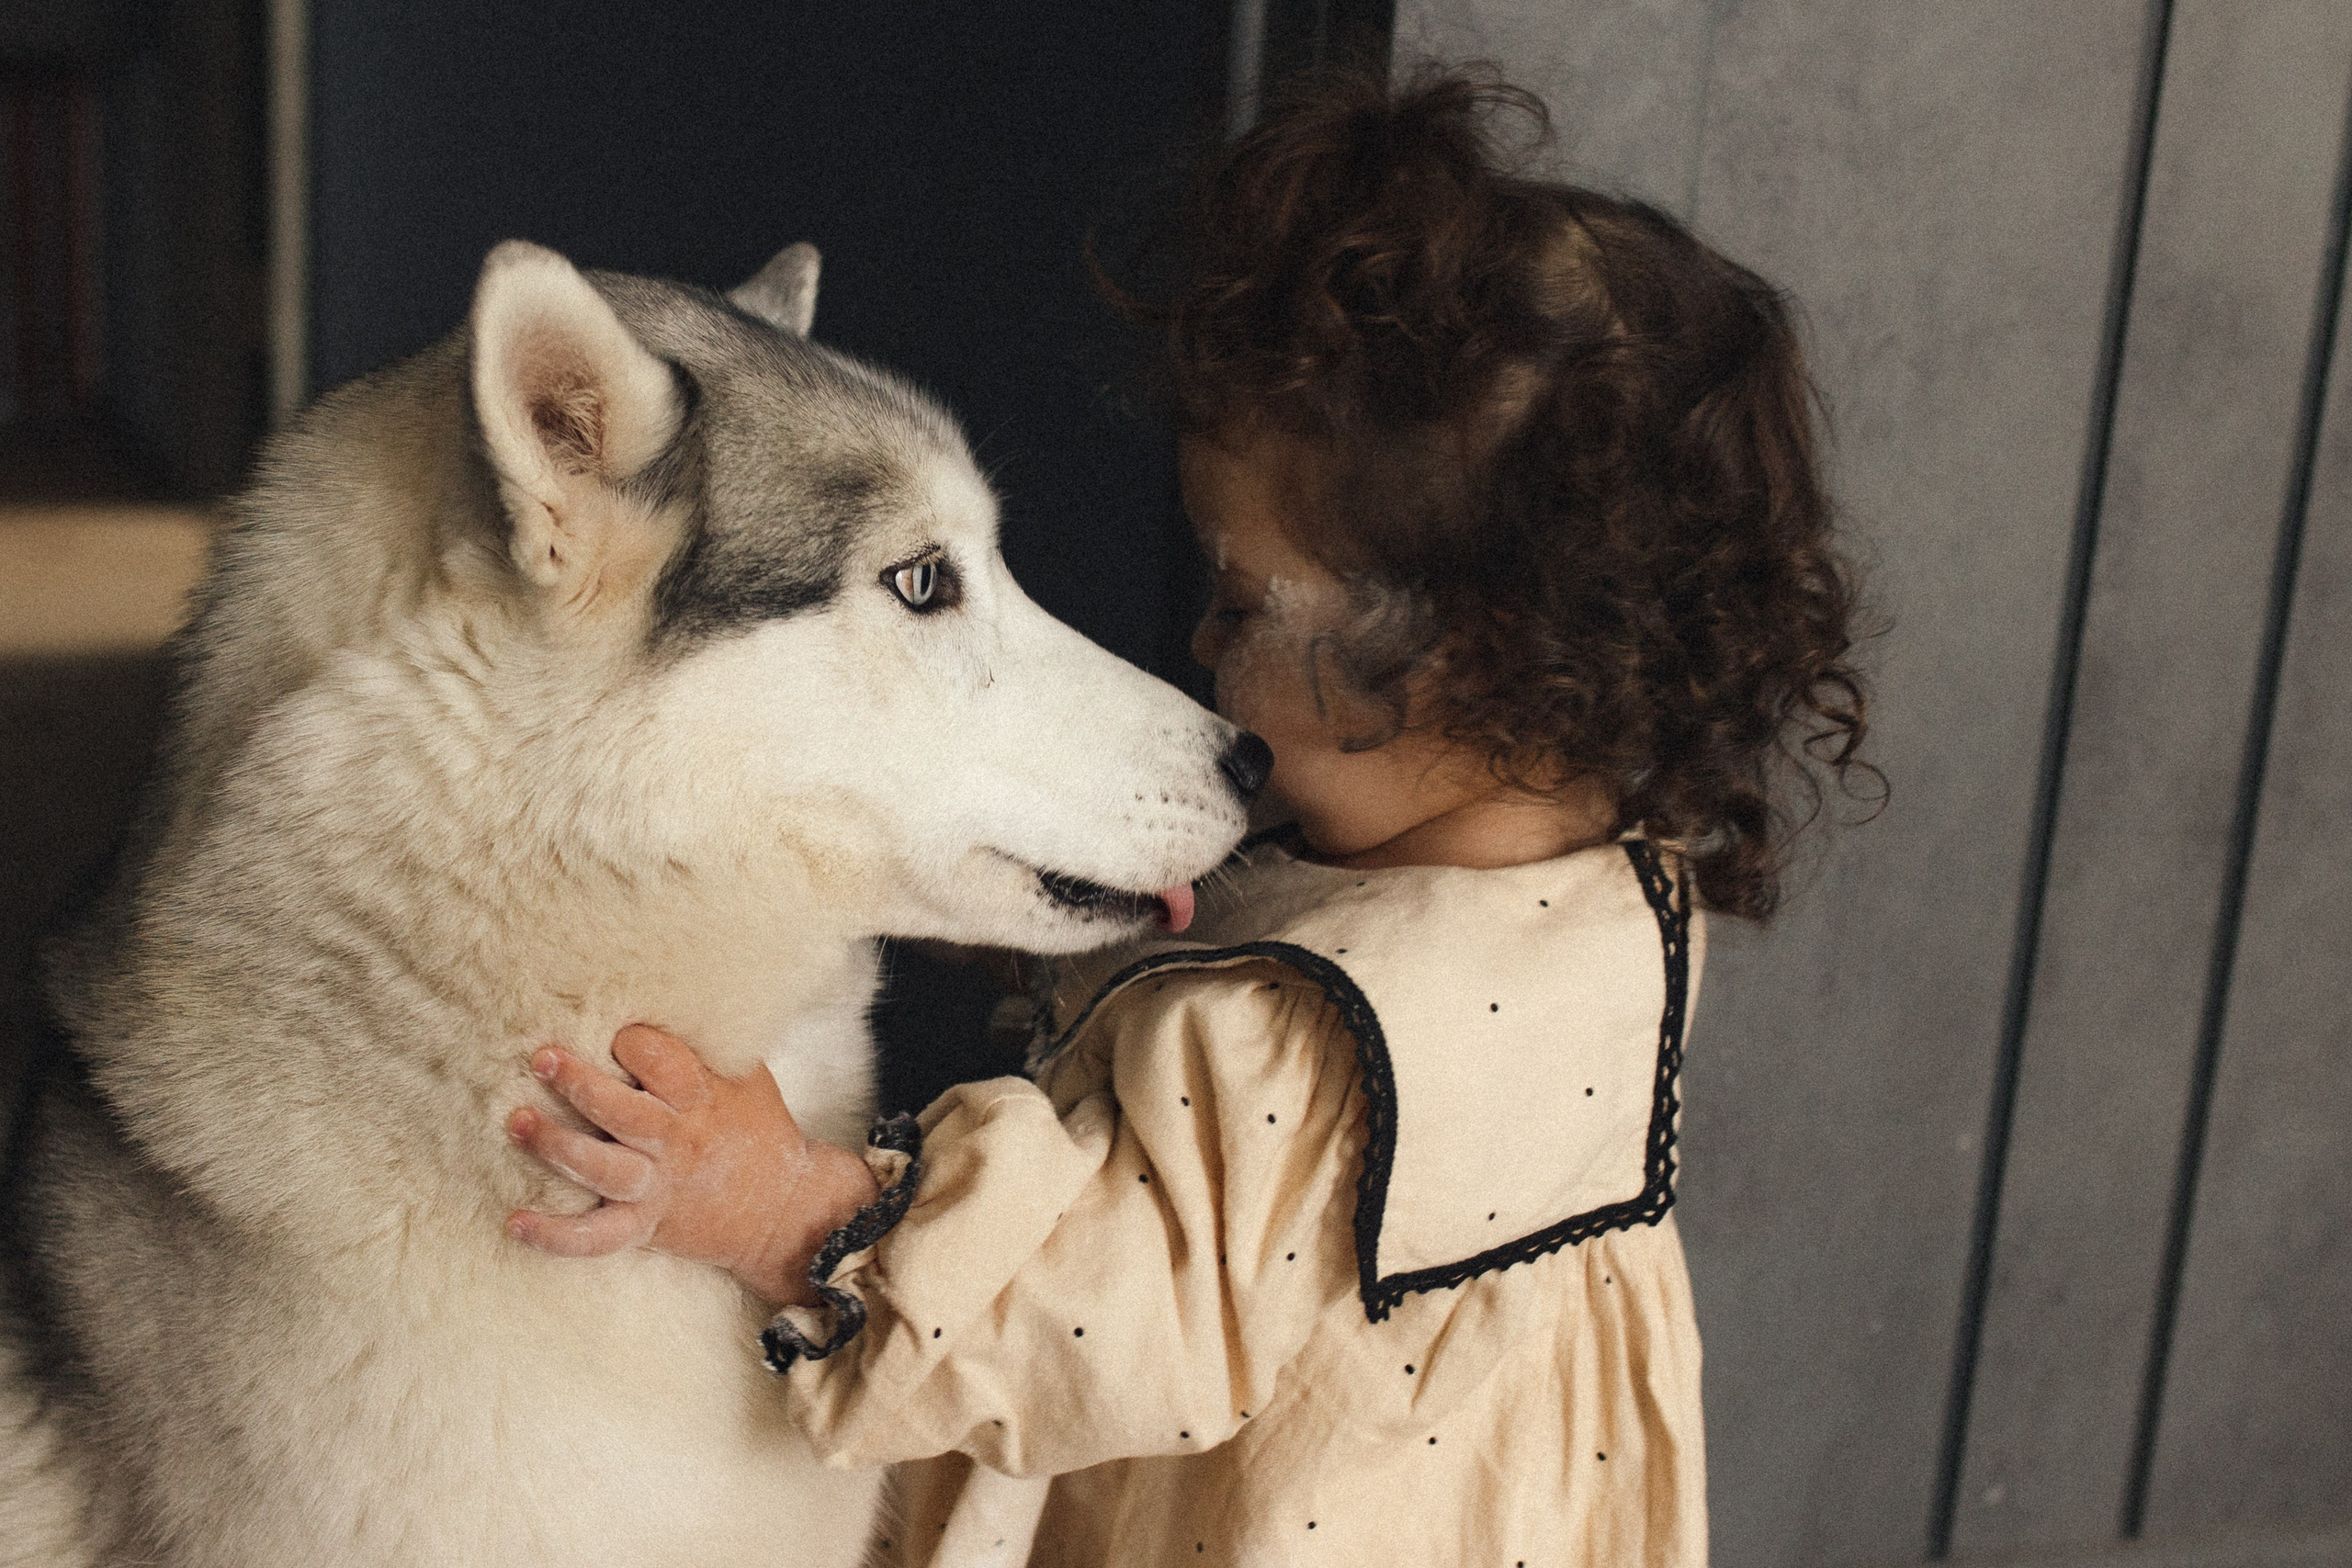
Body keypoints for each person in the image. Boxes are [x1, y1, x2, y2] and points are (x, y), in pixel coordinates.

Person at [505, 66, 1873, 1567]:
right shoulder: (1619, 904)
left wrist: (788, 1209)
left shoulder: (1309, 1038)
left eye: (1242, 598)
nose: (1208, 651)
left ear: (1471, 663)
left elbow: (1107, 1332)